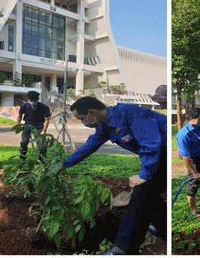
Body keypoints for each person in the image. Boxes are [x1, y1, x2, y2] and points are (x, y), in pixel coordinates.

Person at [61, 96, 167, 255]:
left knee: (142, 190)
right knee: (149, 193)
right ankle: (164, 228)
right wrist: (64, 164)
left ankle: (123, 248)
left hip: (164, 151)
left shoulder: (128, 112)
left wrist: (144, 174)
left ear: (92, 112)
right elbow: (90, 145)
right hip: (156, 154)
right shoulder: (105, 126)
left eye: (81, 118)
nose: (83, 122)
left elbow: (151, 143)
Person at [16, 91, 51, 162]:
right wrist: (18, 125)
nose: (33, 102)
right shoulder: (24, 106)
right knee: (24, 142)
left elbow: (46, 120)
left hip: (39, 127)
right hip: (27, 125)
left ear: (38, 99)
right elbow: (19, 116)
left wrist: (44, 130)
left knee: (42, 145)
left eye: (34, 100)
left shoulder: (44, 107)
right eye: (31, 100)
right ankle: (22, 157)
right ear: (28, 99)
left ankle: (42, 160)